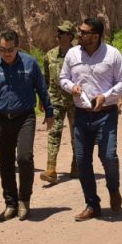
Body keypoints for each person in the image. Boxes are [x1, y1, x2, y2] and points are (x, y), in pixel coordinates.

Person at [0, 29, 54, 222]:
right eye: (2, 50)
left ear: (17, 47)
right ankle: (10, 203)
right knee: (6, 162)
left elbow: (41, 88)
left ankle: (24, 200)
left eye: (10, 50)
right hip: (2, 119)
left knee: (24, 158)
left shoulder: (30, 63)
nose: (6, 53)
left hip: (25, 117)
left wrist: (49, 112)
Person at [59, 17, 122, 221]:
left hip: (106, 113)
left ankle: (113, 189)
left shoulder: (112, 54)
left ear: (96, 36)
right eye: (79, 31)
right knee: (82, 161)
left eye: (83, 32)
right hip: (81, 114)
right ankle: (92, 204)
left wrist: (105, 96)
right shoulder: (72, 54)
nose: (79, 34)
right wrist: (72, 87)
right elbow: (63, 78)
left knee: (108, 157)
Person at [40, 21, 78, 184]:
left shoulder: (78, 54)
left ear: (70, 36)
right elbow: (45, 79)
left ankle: (77, 165)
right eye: (58, 32)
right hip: (55, 100)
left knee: (76, 134)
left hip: (75, 101)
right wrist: (42, 99)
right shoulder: (50, 55)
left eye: (62, 33)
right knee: (54, 132)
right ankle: (51, 169)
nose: (58, 35)